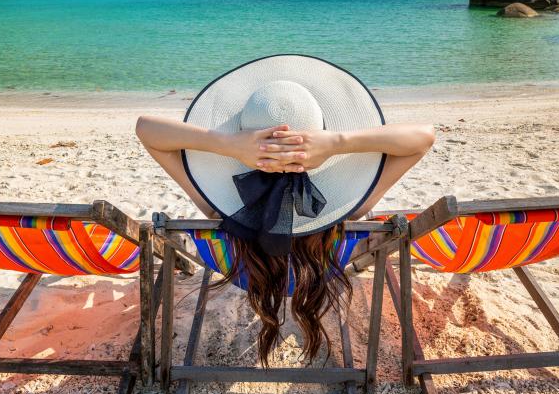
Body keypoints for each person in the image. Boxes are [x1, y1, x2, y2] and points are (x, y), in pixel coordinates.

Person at [136, 55, 434, 363]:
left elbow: (145, 128)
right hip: (321, 271)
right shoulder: (348, 210)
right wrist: (337, 142)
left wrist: (228, 144)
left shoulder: (219, 210)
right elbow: (424, 137)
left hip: (246, 275)